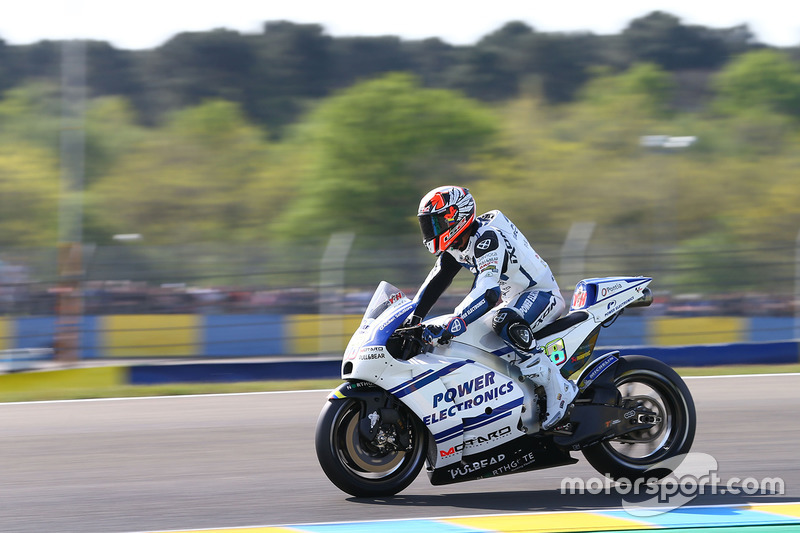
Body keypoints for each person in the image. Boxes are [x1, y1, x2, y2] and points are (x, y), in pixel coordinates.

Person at [411, 185, 578, 430]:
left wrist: (454, 322)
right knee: (472, 336)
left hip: (540, 294)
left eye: (435, 223)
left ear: (456, 217)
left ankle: (558, 388)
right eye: (428, 225)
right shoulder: (457, 245)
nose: (431, 231)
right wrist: (412, 318)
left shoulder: (487, 238)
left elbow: (488, 293)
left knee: (502, 321)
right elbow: (433, 285)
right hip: (513, 299)